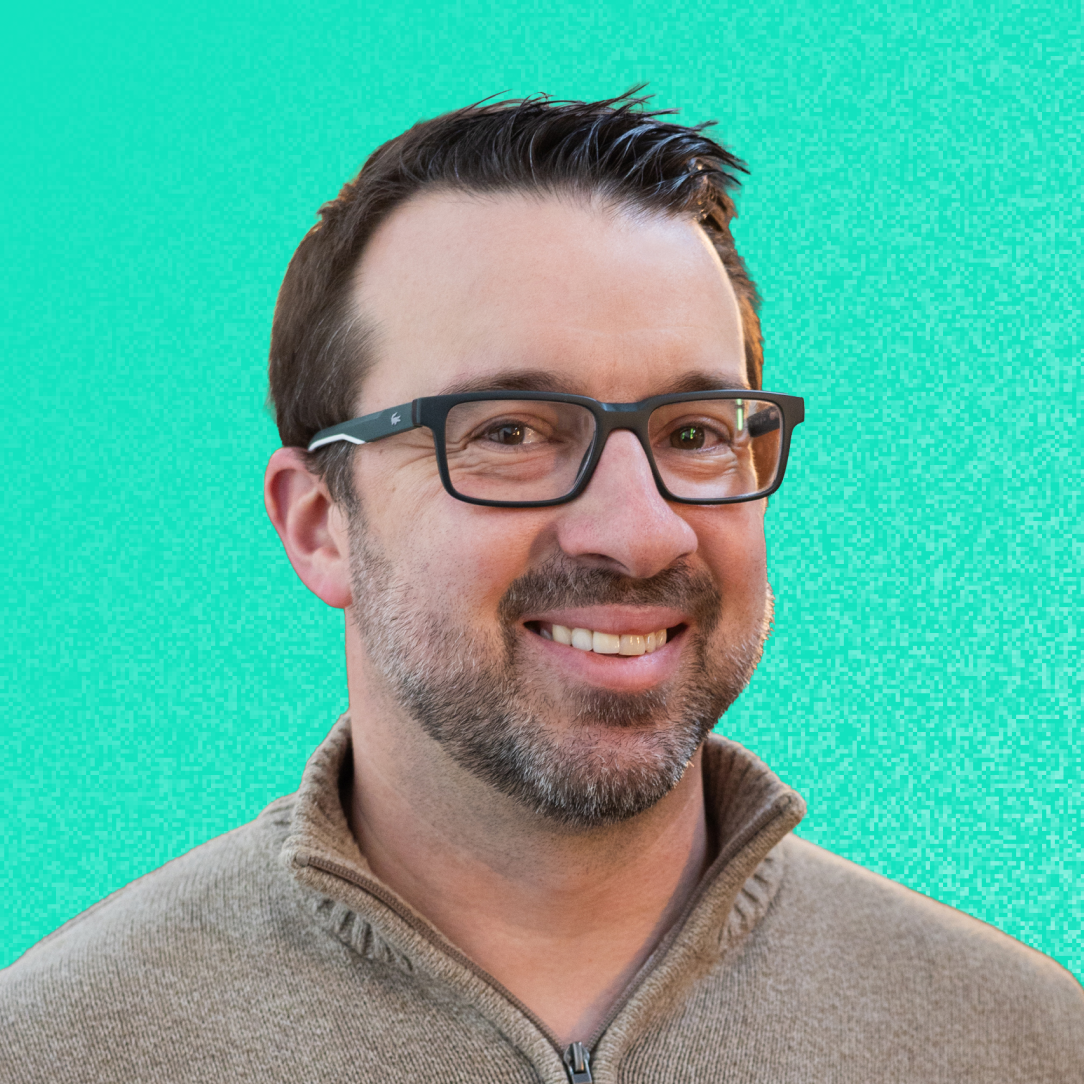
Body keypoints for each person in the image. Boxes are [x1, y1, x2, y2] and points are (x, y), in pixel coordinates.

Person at [2, 92, 1081, 1084]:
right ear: (319, 524)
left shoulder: (1019, 1043)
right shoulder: (56, 1052)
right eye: (510, 433)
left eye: (695, 433)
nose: (639, 533)